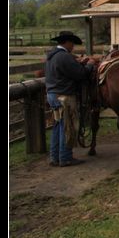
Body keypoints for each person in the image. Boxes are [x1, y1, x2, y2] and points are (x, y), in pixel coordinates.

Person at [45, 31, 94, 167]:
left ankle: (54, 157)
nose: (73, 46)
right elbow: (80, 74)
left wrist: (78, 62)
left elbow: (69, 70)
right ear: (66, 42)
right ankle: (65, 157)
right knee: (68, 127)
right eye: (72, 43)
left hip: (52, 94)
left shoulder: (52, 56)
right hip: (64, 96)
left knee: (58, 126)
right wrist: (89, 65)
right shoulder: (64, 57)